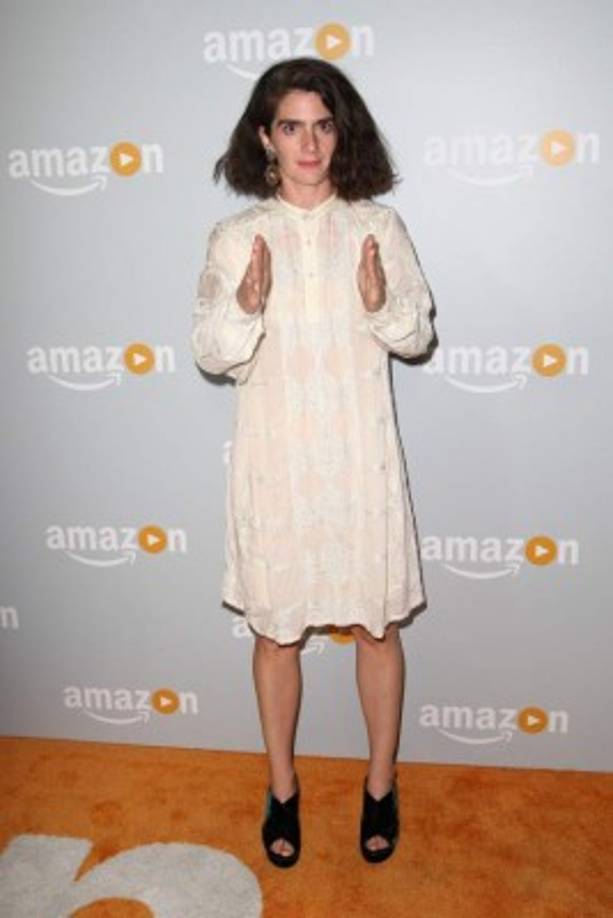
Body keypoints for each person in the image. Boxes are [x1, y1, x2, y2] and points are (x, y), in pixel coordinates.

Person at [190, 56, 435, 868]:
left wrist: (377, 302)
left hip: (358, 464)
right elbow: (214, 354)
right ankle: (283, 786)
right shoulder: (235, 238)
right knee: (275, 637)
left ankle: (378, 782)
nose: (308, 143)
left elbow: (414, 335)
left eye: (322, 125)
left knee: (376, 626)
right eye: (290, 126)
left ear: (342, 133)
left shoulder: (378, 229)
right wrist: (248, 303)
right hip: (278, 466)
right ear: (264, 136)